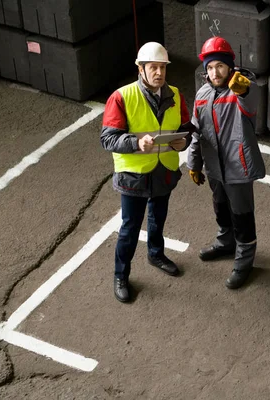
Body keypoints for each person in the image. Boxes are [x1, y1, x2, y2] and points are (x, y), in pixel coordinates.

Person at [100, 42, 194, 302]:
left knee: (158, 218)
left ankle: (156, 254)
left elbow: (186, 127)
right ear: (141, 69)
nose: (159, 73)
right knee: (130, 229)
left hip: (164, 172)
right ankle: (121, 275)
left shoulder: (175, 94)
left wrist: (183, 142)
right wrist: (135, 143)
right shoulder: (122, 97)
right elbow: (108, 139)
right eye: (153, 67)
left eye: (163, 67)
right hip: (134, 175)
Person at [187, 37, 266, 289]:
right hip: (214, 167)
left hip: (238, 167)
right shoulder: (202, 94)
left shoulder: (241, 87)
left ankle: (245, 259)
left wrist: (244, 89)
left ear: (230, 66)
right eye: (210, 67)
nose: (214, 72)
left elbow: (251, 100)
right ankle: (225, 242)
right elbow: (197, 131)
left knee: (242, 215)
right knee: (221, 207)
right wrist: (194, 163)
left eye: (220, 66)